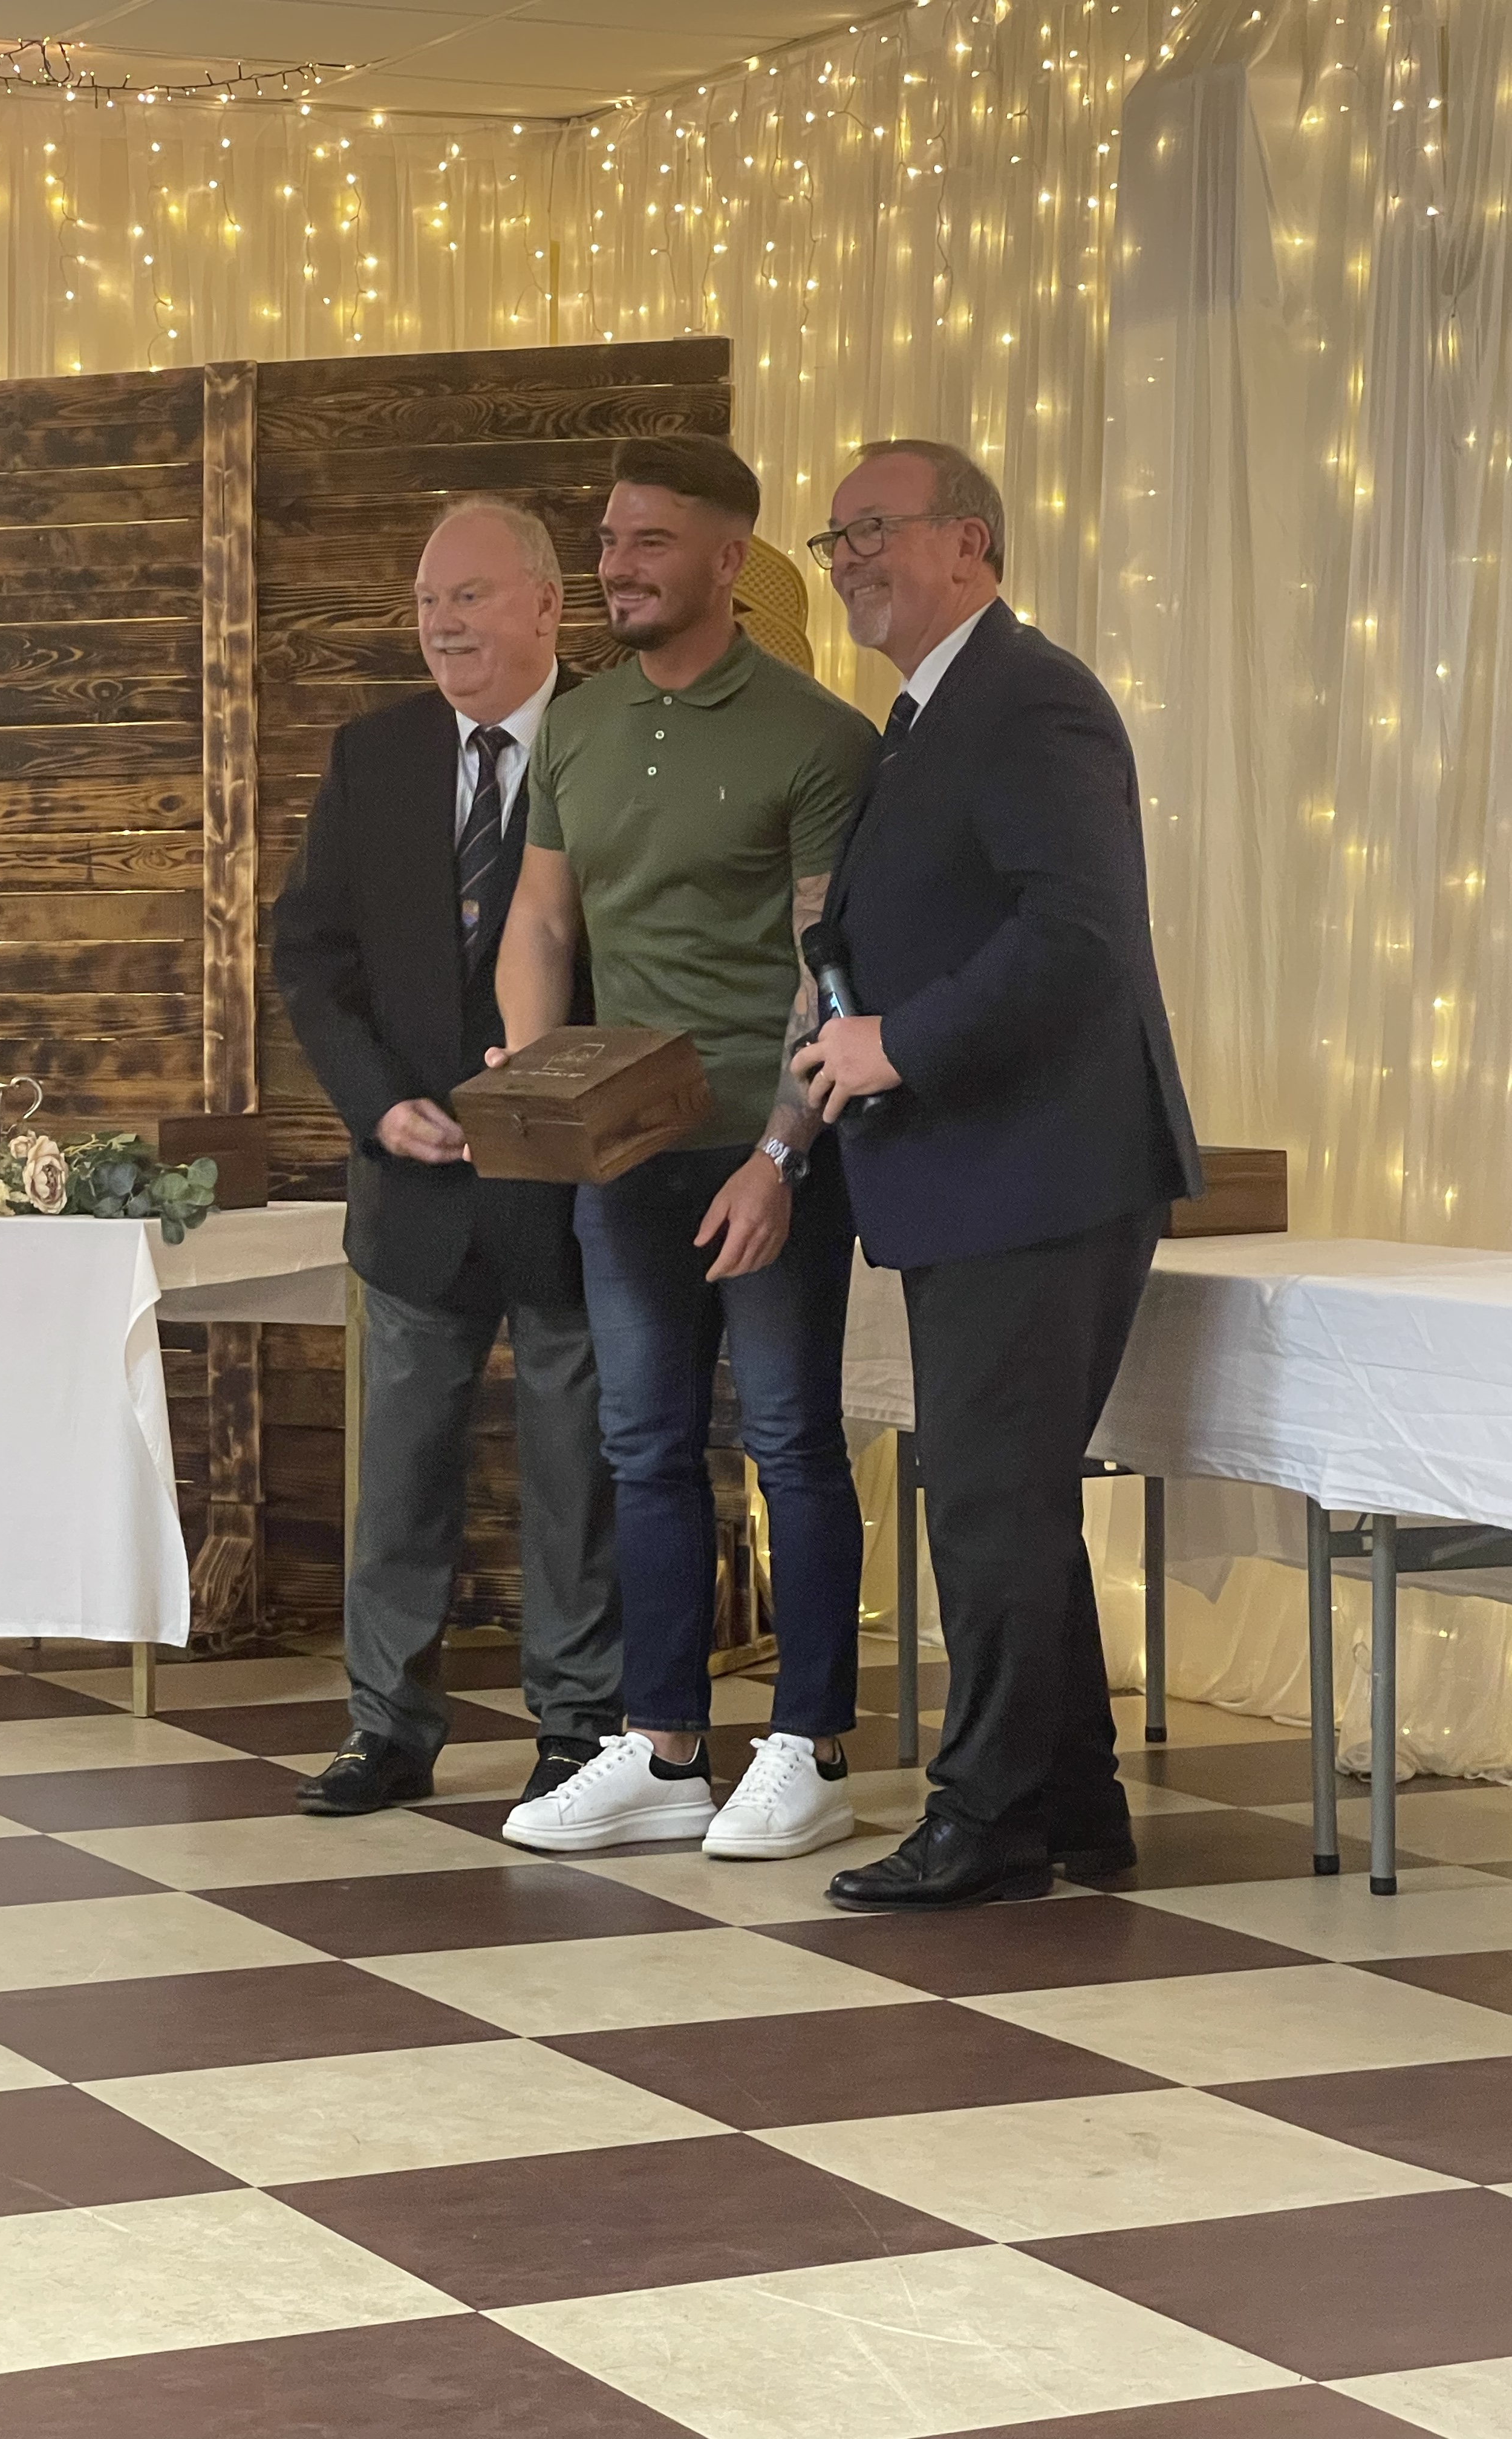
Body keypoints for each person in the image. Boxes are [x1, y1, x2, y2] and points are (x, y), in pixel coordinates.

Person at [794, 439, 1202, 1909]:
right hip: (980, 1169)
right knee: (1000, 1492)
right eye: (834, 539)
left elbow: (1074, 934)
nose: (847, 560)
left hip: (1041, 1166)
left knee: (986, 1501)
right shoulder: (923, 717)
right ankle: (1074, 1802)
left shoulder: (1031, 697)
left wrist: (896, 1043)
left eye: (873, 530)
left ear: (969, 543)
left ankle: (991, 1821)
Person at [494, 434, 880, 1862]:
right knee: (643, 1447)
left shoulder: (819, 738)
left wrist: (780, 1155)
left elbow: (825, 968)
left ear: (730, 560)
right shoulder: (576, 729)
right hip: (620, 1156)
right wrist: (542, 1090)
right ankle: (661, 1754)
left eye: (650, 542)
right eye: (608, 540)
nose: (618, 566)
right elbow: (542, 923)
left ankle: (811, 1748)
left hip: (769, 1155)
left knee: (790, 1443)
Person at [273, 497, 621, 1815]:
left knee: (577, 1474)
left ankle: (578, 1731)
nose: (442, 624)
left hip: (573, 1189)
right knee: (401, 1476)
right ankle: (387, 1730)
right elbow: (311, 955)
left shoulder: (615, 738)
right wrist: (377, 1107)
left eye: (469, 596)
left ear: (547, 605)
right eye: (427, 603)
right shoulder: (375, 757)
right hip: (413, 1186)